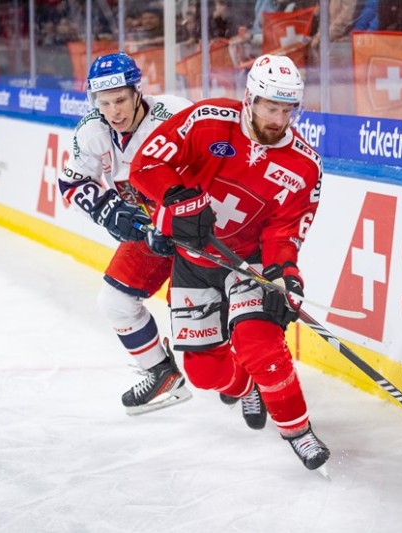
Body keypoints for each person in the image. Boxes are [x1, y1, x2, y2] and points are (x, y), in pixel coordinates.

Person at [129, 54, 330, 471]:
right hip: (194, 256)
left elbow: (285, 230)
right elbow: (145, 164)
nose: (278, 118)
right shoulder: (207, 120)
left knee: (262, 346)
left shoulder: (305, 165)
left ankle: (298, 431)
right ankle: (245, 386)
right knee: (203, 371)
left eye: (287, 109)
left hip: (247, 262)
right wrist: (178, 198)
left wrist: (284, 274)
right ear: (250, 98)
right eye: (270, 107)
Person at [57, 52, 193, 415]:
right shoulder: (92, 130)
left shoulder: (176, 115)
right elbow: (72, 180)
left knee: (200, 319)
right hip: (148, 233)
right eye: (104, 103)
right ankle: (161, 373)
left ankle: (250, 383)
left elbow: (213, 170)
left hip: (196, 228)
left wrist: (178, 219)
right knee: (114, 302)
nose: (113, 111)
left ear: (137, 92)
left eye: (120, 100)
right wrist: (106, 209)